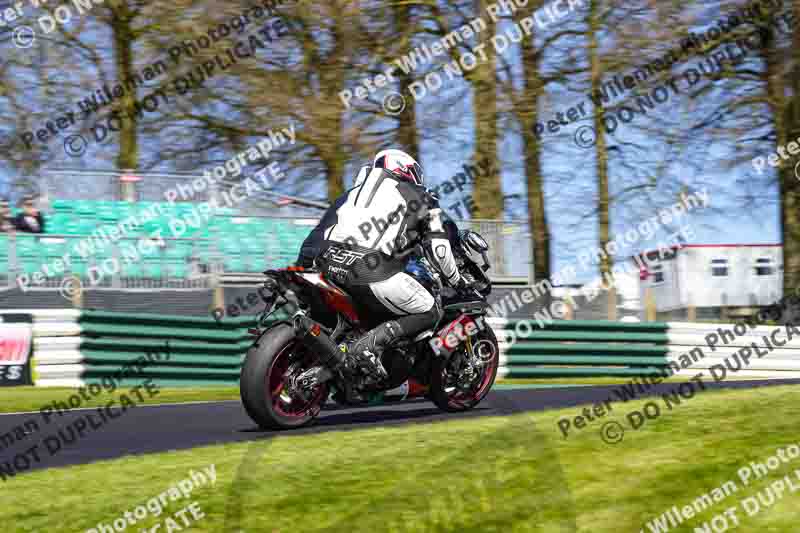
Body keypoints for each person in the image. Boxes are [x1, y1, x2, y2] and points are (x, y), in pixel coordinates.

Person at [304, 149, 466, 380]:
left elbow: (316, 235)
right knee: (431, 311)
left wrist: (303, 264)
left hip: (326, 265)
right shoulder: (421, 195)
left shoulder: (350, 194)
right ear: (407, 170)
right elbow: (439, 249)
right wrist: (456, 280)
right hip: (370, 270)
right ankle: (368, 346)